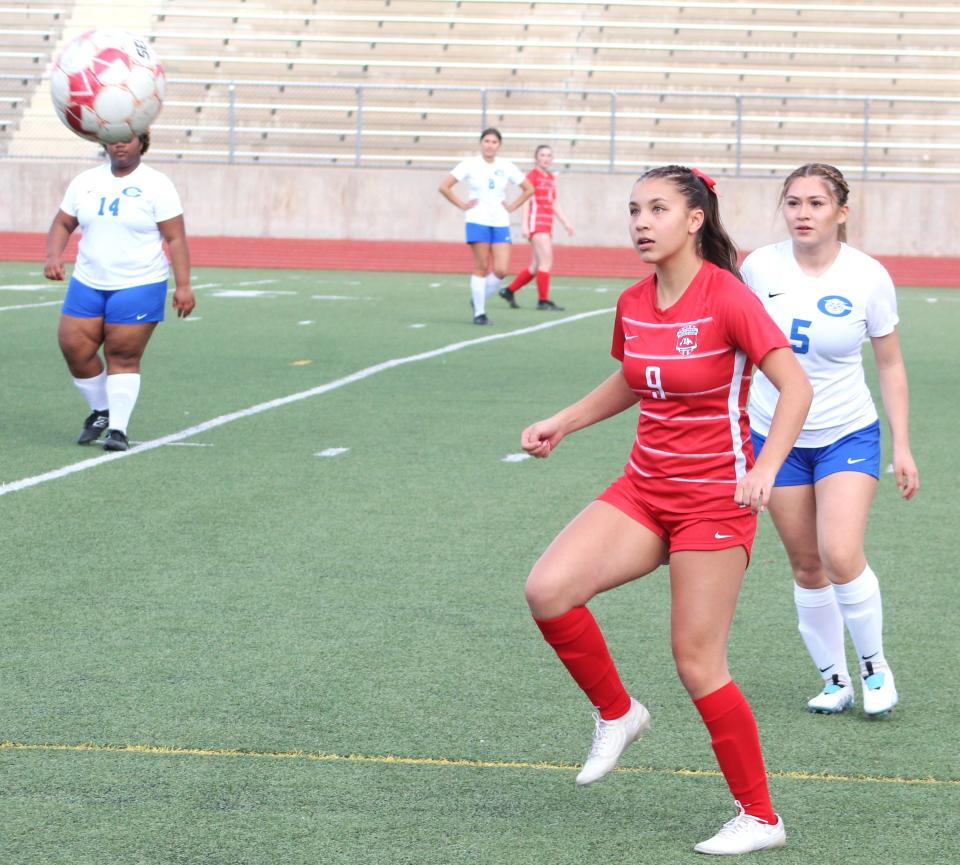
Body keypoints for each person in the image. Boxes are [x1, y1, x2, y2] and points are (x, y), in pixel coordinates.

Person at [521, 165, 812, 856]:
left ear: (693, 220)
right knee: (549, 589)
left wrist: (766, 468)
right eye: (633, 210)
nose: (641, 222)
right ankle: (618, 713)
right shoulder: (632, 301)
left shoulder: (728, 297)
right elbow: (633, 377)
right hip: (644, 487)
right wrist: (565, 421)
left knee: (698, 662)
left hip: (715, 498)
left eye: (657, 208)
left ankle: (760, 814)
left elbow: (794, 387)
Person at [743, 163, 919, 717]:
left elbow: (889, 365)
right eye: (793, 202)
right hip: (774, 435)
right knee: (807, 565)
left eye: (816, 203)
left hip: (846, 430)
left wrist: (903, 445)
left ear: (841, 212)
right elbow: (739, 354)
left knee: (840, 553)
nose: (802, 213)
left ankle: (874, 667)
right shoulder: (757, 267)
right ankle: (834, 678)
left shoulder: (868, 276)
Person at [44, 130, 195, 451]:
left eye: (127, 138)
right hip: (88, 281)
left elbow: (176, 238)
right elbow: (62, 223)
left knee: (122, 356)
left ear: (142, 142)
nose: (119, 144)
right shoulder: (85, 181)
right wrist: (54, 255)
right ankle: (101, 410)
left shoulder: (157, 184)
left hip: (139, 284)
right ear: (104, 143)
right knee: (74, 348)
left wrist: (183, 285)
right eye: (113, 138)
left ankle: (118, 430)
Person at [438, 128, 533, 325]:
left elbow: (528, 188)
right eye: (486, 141)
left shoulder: (506, 166)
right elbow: (444, 187)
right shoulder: (470, 164)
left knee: (501, 270)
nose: (489, 145)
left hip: (499, 221)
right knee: (481, 267)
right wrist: (463, 205)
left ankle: (477, 299)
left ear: (499, 145)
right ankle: (479, 313)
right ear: (481, 143)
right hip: (477, 219)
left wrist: (513, 206)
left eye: (494, 142)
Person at [499, 144, 574, 312]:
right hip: (536, 224)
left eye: (549, 155)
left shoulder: (550, 178)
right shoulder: (532, 176)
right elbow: (526, 200)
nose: (546, 158)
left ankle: (508, 291)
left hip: (547, 224)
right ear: (536, 158)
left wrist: (566, 222)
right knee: (546, 262)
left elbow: (553, 202)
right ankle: (543, 301)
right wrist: (525, 225)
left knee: (535, 266)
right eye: (542, 155)